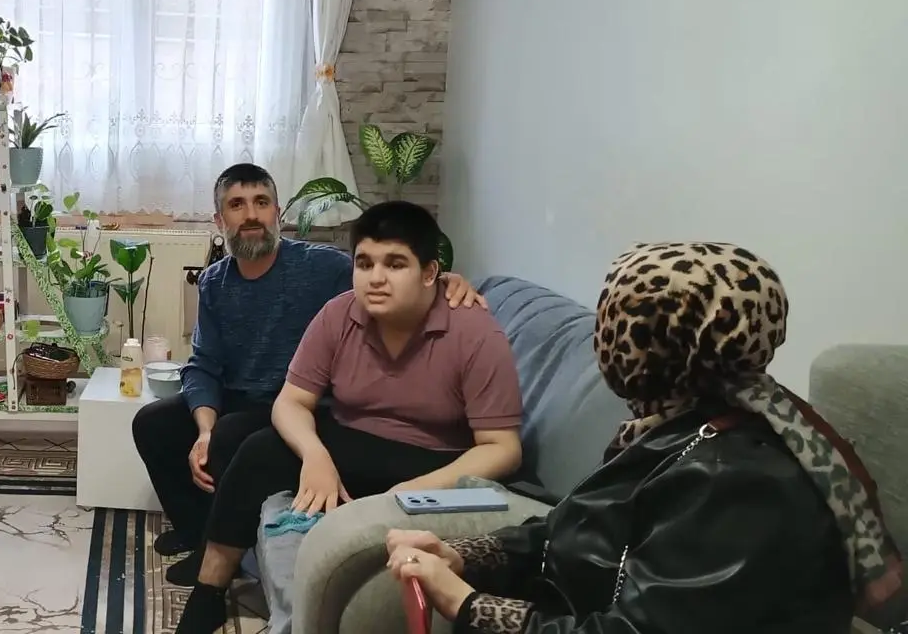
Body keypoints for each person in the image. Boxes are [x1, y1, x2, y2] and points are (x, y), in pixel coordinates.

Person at [384, 242, 901, 634]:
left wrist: (466, 604)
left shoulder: (735, 484)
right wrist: (467, 555)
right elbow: (574, 529)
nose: (601, 339)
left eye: (615, 321)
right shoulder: (681, 425)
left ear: (658, 344)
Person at [174, 200, 523, 633]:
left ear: (430, 272)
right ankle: (209, 590)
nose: (376, 278)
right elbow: (291, 401)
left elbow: (502, 447)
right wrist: (315, 456)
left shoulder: (475, 333)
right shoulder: (339, 314)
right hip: (352, 439)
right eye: (365, 263)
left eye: (395, 264)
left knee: (260, 448)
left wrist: (412, 491)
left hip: (434, 457)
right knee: (254, 446)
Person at [132, 163, 485, 585]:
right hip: (237, 396)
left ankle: (218, 545)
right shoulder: (213, 283)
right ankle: (194, 529)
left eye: (261, 203)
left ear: (277, 213)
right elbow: (204, 364)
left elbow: (387, 282)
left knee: (230, 434)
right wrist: (203, 430)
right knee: (152, 424)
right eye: (237, 205)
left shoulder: (324, 267)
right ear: (219, 220)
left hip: (302, 403)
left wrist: (443, 281)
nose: (251, 215)